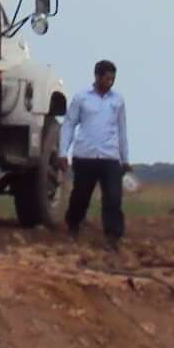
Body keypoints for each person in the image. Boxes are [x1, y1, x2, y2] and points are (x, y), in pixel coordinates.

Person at [64, 58, 129, 243]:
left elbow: (122, 129)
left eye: (113, 79)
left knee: (113, 198)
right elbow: (69, 125)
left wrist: (125, 159)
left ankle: (113, 236)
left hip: (110, 157)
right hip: (85, 156)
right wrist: (63, 152)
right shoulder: (81, 97)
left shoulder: (118, 100)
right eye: (107, 78)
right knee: (81, 195)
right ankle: (73, 225)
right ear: (97, 76)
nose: (110, 82)